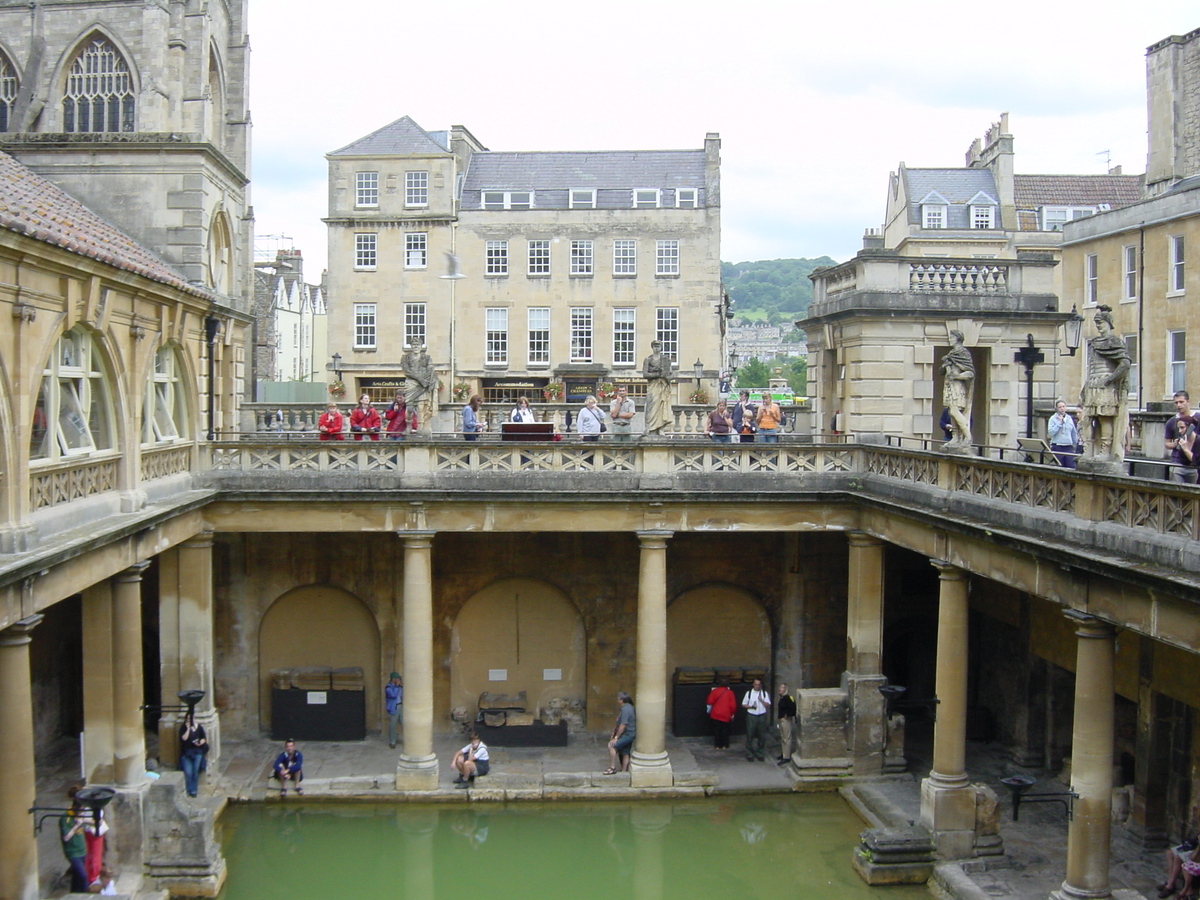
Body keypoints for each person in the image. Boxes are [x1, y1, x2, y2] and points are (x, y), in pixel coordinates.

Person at [1080, 305, 1130, 466]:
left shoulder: (1114, 342)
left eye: (1101, 323)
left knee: (1104, 418)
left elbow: (1125, 364)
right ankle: (1088, 449)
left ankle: (1105, 451)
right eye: (1097, 324)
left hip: (1106, 386)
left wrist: (1110, 379)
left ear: (1108, 323)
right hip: (1093, 384)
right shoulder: (1094, 343)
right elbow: (1091, 368)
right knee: (1086, 419)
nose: (1099, 326)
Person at [941, 330, 975, 449]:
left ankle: (967, 435)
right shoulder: (951, 354)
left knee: (955, 411)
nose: (950, 339)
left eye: (952, 337)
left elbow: (970, 373)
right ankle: (956, 437)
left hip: (958, 387)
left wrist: (957, 376)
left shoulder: (963, 353)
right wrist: (945, 365)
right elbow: (942, 372)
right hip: (949, 386)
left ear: (958, 338)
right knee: (951, 411)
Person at [69, 785, 107, 887]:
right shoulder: (87, 806)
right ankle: (91, 877)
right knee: (91, 856)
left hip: (91, 832)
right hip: (90, 832)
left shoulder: (88, 806)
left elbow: (97, 821)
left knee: (92, 856)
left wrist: (83, 820)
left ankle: (92, 877)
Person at [1165, 392, 1198, 485]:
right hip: (1178, 462)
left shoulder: (1198, 418)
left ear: (1188, 401)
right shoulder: (1171, 422)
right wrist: (1174, 444)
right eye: (1176, 403)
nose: (1179, 405)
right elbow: (1167, 443)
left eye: (1181, 402)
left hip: (1195, 462)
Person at [402, 344, 437, 430]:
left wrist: (427, 380)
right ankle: (409, 425)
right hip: (411, 383)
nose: (416, 347)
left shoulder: (427, 358)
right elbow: (407, 371)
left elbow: (430, 370)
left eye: (418, 345)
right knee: (409, 407)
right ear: (411, 346)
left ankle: (421, 427)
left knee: (421, 407)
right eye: (414, 345)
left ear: (421, 347)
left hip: (423, 384)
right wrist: (419, 379)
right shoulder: (405, 358)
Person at [642, 341, 674, 435]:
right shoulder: (648, 359)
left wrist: (666, 376)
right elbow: (645, 374)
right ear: (652, 348)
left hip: (663, 385)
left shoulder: (665, 359)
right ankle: (649, 427)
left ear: (661, 347)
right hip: (653, 385)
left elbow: (671, 373)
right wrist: (657, 374)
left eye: (658, 346)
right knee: (651, 406)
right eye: (655, 346)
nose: (657, 348)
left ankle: (661, 428)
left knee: (662, 405)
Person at [60, 795, 89, 893]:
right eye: (81, 810)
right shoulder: (65, 818)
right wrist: (77, 825)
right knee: (83, 876)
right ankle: (86, 895)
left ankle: (74, 894)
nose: (82, 813)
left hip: (82, 851)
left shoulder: (80, 816)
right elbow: (66, 837)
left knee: (76, 877)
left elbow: (95, 821)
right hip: (73, 852)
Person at [604, 691, 636, 774]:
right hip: (630, 733)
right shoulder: (630, 707)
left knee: (611, 746)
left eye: (618, 698)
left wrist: (616, 737)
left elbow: (623, 725)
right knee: (625, 752)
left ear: (622, 700)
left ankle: (612, 767)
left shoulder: (625, 709)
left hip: (627, 734)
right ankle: (624, 770)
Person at [1159, 833, 1199, 898]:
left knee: (1178, 858)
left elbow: (1193, 857)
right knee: (1169, 853)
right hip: (1194, 846)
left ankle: (1171, 886)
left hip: (1196, 852)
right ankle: (1169, 881)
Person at [178, 711, 208, 798]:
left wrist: (200, 743)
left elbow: (204, 738)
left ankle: (194, 790)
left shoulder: (199, 727)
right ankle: (188, 790)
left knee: (195, 771)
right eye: (188, 719)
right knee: (188, 772)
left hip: (197, 752)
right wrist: (188, 729)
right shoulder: (183, 728)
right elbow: (183, 739)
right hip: (186, 753)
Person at [741, 677, 771, 761]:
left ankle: (760, 753)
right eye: (756, 684)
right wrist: (751, 706)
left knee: (762, 735)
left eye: (759, 684)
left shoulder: (764, 693)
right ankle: (749, 754)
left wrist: (762, 700)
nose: (757, 686)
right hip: (752, 715)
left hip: (761, 715)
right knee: (750, 735)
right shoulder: (749, 693)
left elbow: (768, 705)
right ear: (753, 685)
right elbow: (743, 704)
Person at [1047, 400, 1081, 468]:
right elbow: (1051, 433)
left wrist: (1075, 444)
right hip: (1057, 446)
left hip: (1068, 446)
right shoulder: (1053, 419)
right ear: (1057, 408)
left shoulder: (1069, 418)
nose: (1062, 409)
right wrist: (1059, 423)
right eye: (1060, 407)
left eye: (1063, 406)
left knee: (1071, 466)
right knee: (1059, 467)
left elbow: (1073, 432)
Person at [705, 677, 737, 749]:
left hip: (715, 714)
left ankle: (717, 745)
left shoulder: (715, 691)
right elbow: (733, 705)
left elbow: (709, 702)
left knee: (717, 730)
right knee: (725, 730)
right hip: (726, 714)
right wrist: (732, 713)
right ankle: (725, 745)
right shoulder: (730, 693)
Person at [775, 682, 796, 765]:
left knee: (787, 738)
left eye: (782, 687)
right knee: (783, 737)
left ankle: (786, 757)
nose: (780, 689)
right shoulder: (782, 698)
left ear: (785, 689)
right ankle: (784, 753)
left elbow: (793, 708)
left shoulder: (788, 698)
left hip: (785, 719)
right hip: (781, 719)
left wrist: (787, 715)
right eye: (780, 687)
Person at [385, 672, 403, 749]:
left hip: (400, 705)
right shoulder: (388, 687)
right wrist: (396, 686)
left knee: (404, 722)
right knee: (393, 725)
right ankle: (392, 741)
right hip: (393, 707)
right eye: (396, 679)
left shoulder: (400, 687)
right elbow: (393, 695)